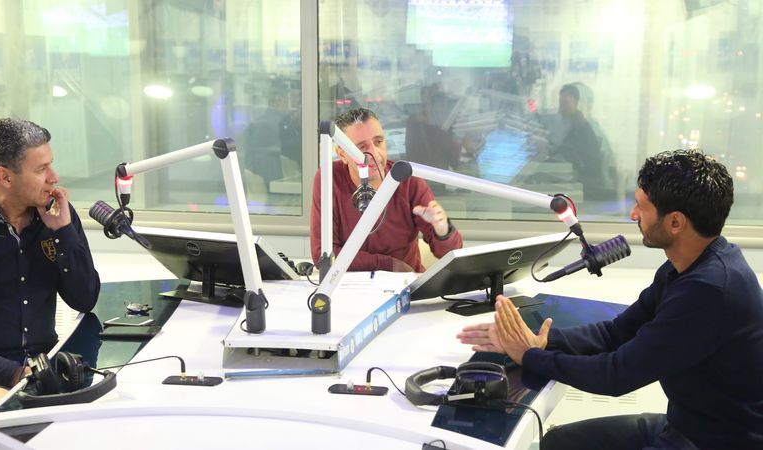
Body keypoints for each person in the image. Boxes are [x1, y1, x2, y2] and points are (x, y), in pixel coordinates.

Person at [458, 149, 763, 449]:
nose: (633, 215)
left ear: (675, 222)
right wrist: (543, 341)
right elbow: (616, 333)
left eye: (641, 207)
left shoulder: (709, 290)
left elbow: (616, 375)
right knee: (559, 442)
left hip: (715, 441)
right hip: (685, 425)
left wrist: (529, 356)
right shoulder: (684, 267)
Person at [0, 118, 101, 416]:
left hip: (47, 367)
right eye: (41, 169)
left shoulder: (59, 216)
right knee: (6, 429)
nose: (54, 177)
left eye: (51, 165)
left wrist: (63, 232)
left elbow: (85, 299)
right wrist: (14, 372)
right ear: (5, 177)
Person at [310, 107, 462, 272]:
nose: (374, 153)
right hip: (349, 284)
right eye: (361, 147)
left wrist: (443, 231)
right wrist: (388, 264)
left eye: (378, 142)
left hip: (405, 284)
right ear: (342, 155)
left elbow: (450, 254)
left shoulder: (408, 182)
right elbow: (323, 256)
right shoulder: (328, 178)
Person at [552, 84, 612, 202]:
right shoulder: (570, 121)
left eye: (565, 103)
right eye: (560, 103)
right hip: (579, 175)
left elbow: (572, 152)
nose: (561, 108)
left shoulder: (578, 123)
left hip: (585, 182)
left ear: (575, 102)